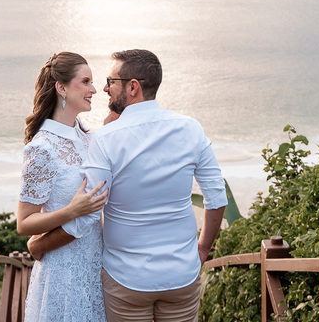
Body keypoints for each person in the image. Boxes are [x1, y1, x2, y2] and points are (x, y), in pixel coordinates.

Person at [30, 49, 227, 322]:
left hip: (126, 281)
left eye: (111, 81)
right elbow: (216, 196)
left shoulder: (106, 139)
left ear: (132, 87)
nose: (105, 88)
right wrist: (203, 248)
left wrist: (40, 246)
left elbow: (86, 214)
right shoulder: (190, 128)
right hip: (182, 275)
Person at [17, 51, 110, 322]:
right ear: (62, 88)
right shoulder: (42, 148)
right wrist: (71, 211)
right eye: (86, 82)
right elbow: (25, 223)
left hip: (95, 266)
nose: (93, 89)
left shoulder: (88, 137)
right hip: (63, 270)